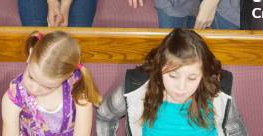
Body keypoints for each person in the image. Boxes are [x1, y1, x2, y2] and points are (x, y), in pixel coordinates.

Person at [96, 28, 247, 135]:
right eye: (173, 76)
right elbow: (104, 116)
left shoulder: (217, 89)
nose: (181, 87)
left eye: (192, 78)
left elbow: (234, 129)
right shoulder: (137, 87)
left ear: (203, 74)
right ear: (160, 68)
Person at [2, 30, 102, 136]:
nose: (34, 89)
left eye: (47, 87)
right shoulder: (14, 96)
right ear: (30, 55)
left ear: (67, 76)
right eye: (31, 77)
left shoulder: (78, 89)